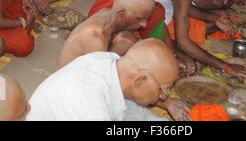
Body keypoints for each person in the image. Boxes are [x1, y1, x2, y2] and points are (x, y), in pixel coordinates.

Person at [27, 39, 179, 121]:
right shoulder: (90, 106)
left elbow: (134, 114)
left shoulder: (114, 65)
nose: (164, 97)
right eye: (163, 89)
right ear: (139, 80)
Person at [57, 0, 155, 69]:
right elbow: (97, 82)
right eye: (140, 19)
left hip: (86, 69)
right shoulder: (95, 39)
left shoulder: (107, 14)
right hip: (69, 83)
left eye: (146, 19)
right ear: (121, 14)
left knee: (128, 41)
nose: (144, 24)